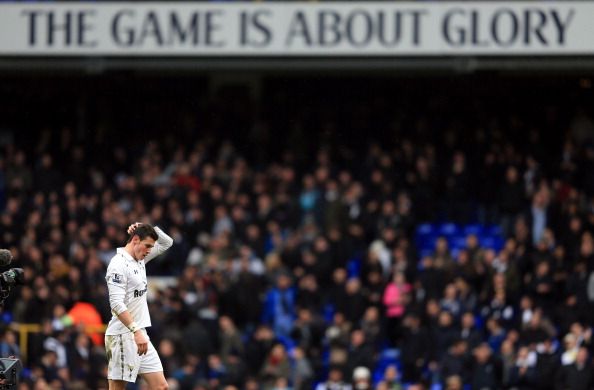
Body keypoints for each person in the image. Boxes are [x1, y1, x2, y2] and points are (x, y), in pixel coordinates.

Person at [104, 222, 174, 390]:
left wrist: (147, 226)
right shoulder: (118, 264)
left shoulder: (140, 258)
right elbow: (116, 303)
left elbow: (167, 242)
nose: (150, 250)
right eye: (147, 246)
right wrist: (135, 331)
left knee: (161, 386)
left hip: (139, 334)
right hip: (122, 335)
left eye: (151, 246)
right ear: (135, 240)